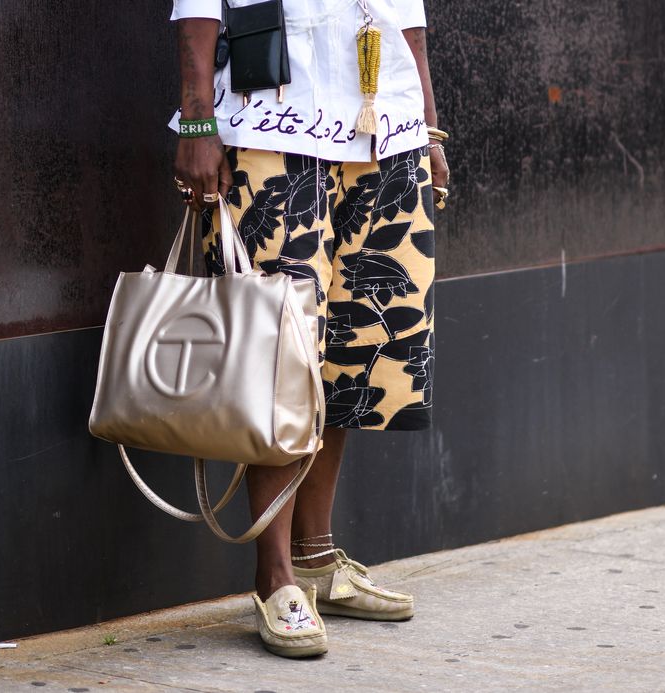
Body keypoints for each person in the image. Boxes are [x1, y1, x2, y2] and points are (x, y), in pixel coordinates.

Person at [169, 0, 448, 658]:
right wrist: (197, 116)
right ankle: (275, 576)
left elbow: (408, 9)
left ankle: (318, 557)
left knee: (354, 346)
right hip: (271, 126)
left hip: (382, 124)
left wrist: (430, 128)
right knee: (280, 353)